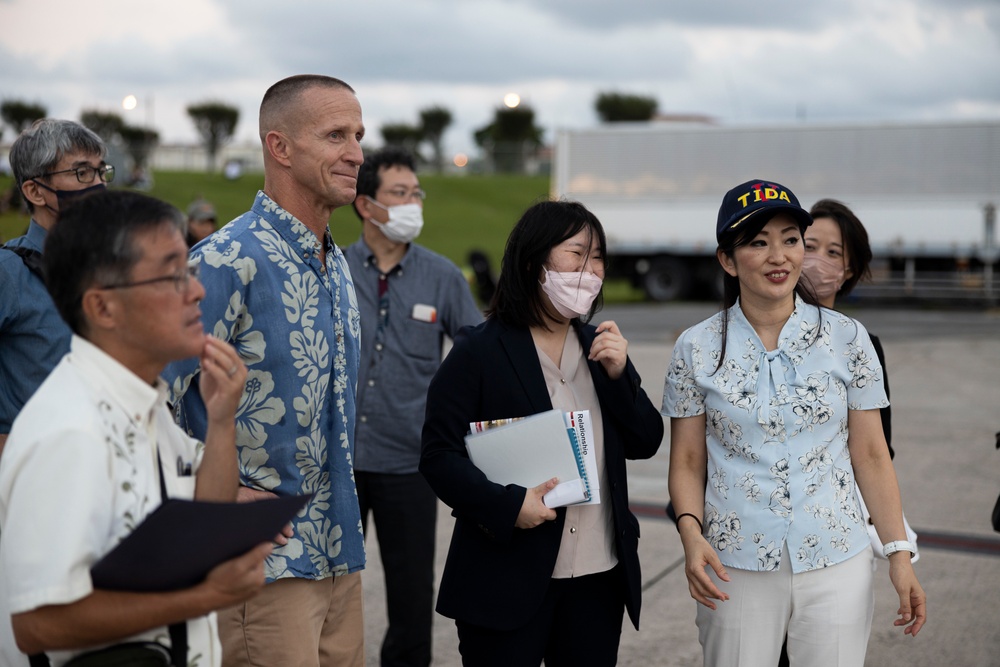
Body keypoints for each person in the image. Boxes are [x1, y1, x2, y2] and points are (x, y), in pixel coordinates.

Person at [0, 189, 270, 667]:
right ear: (103, 308)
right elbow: (36, 623)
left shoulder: (145, 405)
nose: (197, 291)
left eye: (190, 270)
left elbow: (203, 522)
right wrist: (204, 596)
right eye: (172, 276)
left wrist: (223, 420)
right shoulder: (71, 430)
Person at [663, 179, 926, 666]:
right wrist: (690, 534)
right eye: (758, 242)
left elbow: (871, 454)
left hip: (836, 557)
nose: (778, 255)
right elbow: (687, 458)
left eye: (789, 239)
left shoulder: (848, 338)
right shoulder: (695, 348)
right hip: (733, 561)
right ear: (727, 259)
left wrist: (897, 552)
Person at [163, 74, 367, 667]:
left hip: (341, 558)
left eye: (358, 134)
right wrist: (217, 488)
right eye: (335, 135)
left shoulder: (337, 265)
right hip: (262, 568)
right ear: (279, 147)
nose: (356, 152)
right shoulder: (224, 261)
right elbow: (147, 398)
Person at [420, 200, 664, 666]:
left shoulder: (601, 346)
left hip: (598, 577)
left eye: (598, 257)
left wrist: (619, 378)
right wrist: (510, 505)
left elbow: (646, 440)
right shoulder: (479, 351)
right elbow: (437, 455)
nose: (590, 270)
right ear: (534, 262)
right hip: (505, 579)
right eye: (577, 254)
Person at [345, 146, 482, 667]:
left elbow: (476, 355)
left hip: (409, 462)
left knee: (411, 599)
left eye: (416, 193)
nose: (412, 204)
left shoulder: (442, 277)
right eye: (398, 194)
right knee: (328, 591)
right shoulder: (331, 265)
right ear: (365, 205)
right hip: (339, 462)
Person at [0, 119, 111, 458]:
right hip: (36, 477)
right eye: (81, 173)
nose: (98, 184)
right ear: (35, 192)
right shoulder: (8, 271)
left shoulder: (112, 266)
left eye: (101, 171)